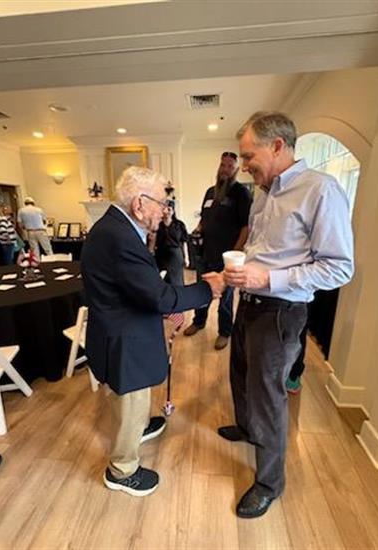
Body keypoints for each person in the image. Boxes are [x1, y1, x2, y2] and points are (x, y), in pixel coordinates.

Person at [219, 111, 354, 519]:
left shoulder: (321, 190)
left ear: (277, 146)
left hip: (281, 312)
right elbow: (261, 248)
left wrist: (268, 278)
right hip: (249, 302)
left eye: (248, 156)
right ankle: (247, 429)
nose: (244, 166)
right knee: (240, 374)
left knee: (268, 398)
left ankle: (269, 483)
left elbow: (339, 268)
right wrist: (239, 272)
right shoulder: (263, 193)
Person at [81, 166, 223, 497]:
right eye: (161, 203)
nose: (165, 211)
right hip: (123, 339)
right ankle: (122, 470)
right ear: (139, 204)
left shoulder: (115, 227)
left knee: (133, 399)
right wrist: (208, 289)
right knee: (130, 401)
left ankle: (141, 428)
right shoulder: (119, 237)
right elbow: (160, 297)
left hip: (119, 329)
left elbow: (137, 286)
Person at [183, 151, 252, 350]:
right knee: (202, 289)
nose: (225, 170)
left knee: (225, 298)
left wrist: (235, 255)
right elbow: (204, 218)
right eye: (223, 165)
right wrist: (198, 229)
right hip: (205, 254)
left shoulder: (241, 193)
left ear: (236, 170)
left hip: (227, 258)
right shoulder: (210, 192)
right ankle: (199, 321)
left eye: (230, 166)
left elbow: (246, 227)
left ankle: (224, 331)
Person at [152, 199, 189, 286]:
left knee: (176, 280)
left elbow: (184, 242)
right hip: (161, 254)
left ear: (173, 211)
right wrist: (151, 252)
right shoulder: (158, 224)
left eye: (169, 209)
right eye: (165, 209)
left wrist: (186, 257)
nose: (167, 212)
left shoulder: (179, 224)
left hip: (175, 255)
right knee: (161, 279)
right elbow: (153, 239)